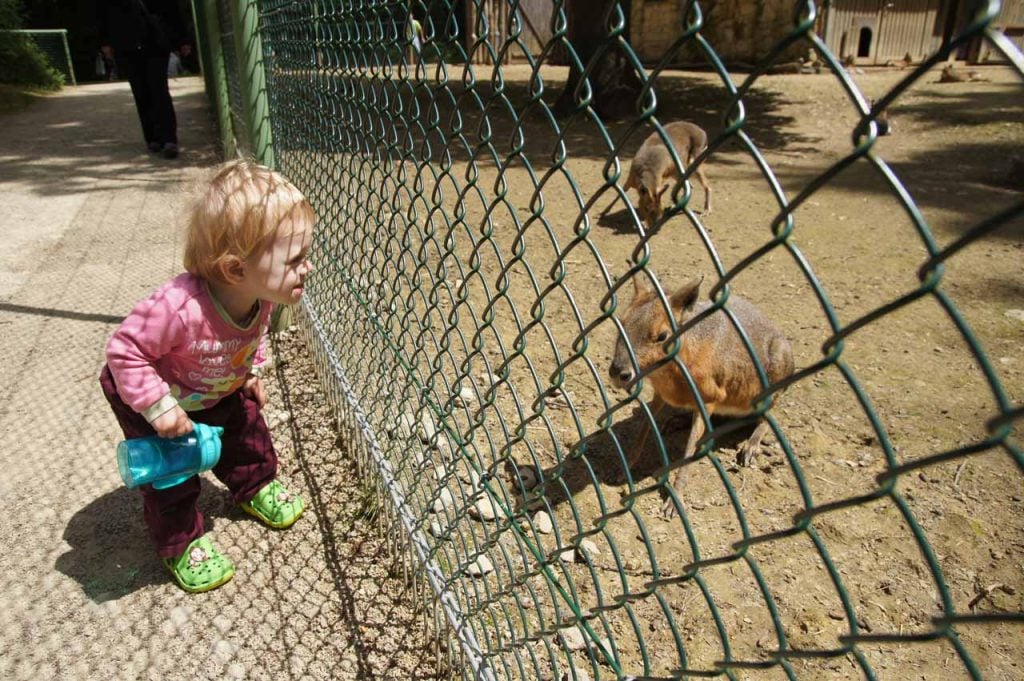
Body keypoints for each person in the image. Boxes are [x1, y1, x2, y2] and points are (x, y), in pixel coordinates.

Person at [99, 160, 315, 593]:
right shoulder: (179, 308)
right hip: (153, 391)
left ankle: (255, 483)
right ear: (236, 269)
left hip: (215, 382)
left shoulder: (258, 294)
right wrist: (158, 407)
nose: (307, 268)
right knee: (171, 471)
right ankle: (181, 541)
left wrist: (251, 370)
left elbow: (251, 335)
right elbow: (124, 350)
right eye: (295, 260)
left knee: (246, 429)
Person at [97, 0, 191, 158]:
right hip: (126, 42)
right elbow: (102, 11)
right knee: (140, 91)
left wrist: (183, 40)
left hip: (155, 41)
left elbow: (172, 10)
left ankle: (168, 139)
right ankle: (152, 137)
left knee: (159, 89)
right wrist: (105, 42)